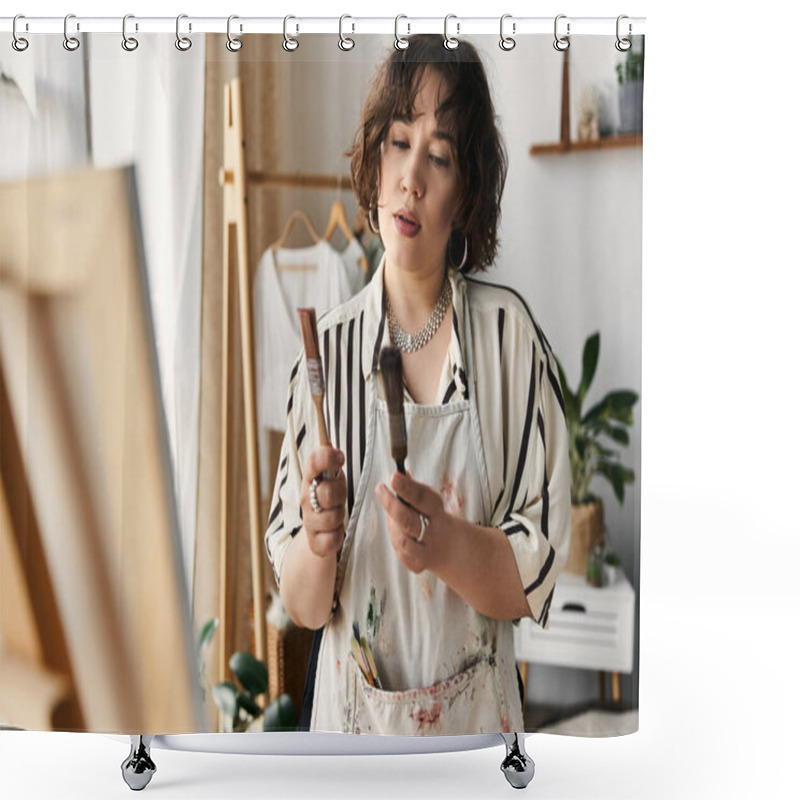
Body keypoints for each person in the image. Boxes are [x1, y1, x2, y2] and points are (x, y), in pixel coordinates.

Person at [265, 35, 571, 736]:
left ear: (466, 195)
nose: (412, 178)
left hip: (477, 742)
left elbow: (536, 570)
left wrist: (448, 545)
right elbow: (306, 608)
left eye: (440, 155)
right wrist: (318, 542)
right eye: (399, 142)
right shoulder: (329, 356)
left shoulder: (508, 339)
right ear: (373, 164)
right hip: (351, 744)